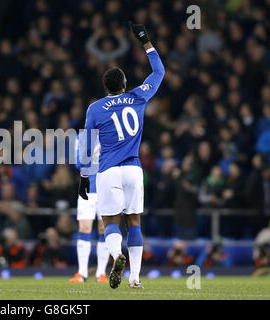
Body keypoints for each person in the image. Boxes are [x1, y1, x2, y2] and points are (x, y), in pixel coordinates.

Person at [78, 22, 165, 289]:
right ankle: (136, 278)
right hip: (134, 169)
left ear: (105, 87)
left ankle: (117, 257)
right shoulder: (138, 97)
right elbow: (159, 71)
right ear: (125, 84)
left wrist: (84, 175)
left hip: (108, 171)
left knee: (110, 223)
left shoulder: (95, 108)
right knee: (134, 222)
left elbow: (86, 146)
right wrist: (146, 41)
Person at [69, 132, 109, 283]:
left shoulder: (109, 134)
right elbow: (78, 163)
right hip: (87, 189)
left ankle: (101, 273)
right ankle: (82, 273)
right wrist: (95, 150)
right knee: (84, 228)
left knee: (103, 229)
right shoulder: (81, 138)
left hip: (105, 189)